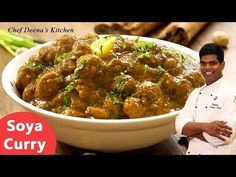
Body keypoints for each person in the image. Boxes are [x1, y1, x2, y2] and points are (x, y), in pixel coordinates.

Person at [175, 43, 236, 155]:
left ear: (222, 65)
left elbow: (223, 137)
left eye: (212, 63)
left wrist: (190, 131)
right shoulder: (195, 93)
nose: (207, 68)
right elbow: (179, 127)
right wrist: (206, 127)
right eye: (203, 63)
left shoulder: (232, 94)